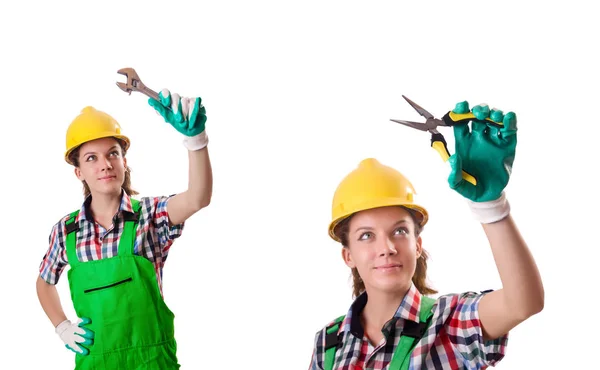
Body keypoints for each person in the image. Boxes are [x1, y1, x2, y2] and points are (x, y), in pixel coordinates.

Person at [308, 101, 544, 369]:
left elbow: (522, 303)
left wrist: (491, 207)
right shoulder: (329, 344)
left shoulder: (450, 323)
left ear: (417, 244)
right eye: (366, 236)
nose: (386, 247)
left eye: (399, 231)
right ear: (347, 255)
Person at [36, 89, 213, 369]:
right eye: (91, 158)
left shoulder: (150, 217)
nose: (105, 165)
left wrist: (196, 141)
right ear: (79, 171)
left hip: (151, 361)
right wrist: (62, 326)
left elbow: (197, 198)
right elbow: (45, 282)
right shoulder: (65, 232)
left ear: (124, 160)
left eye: (113, 154)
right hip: (95, 361)